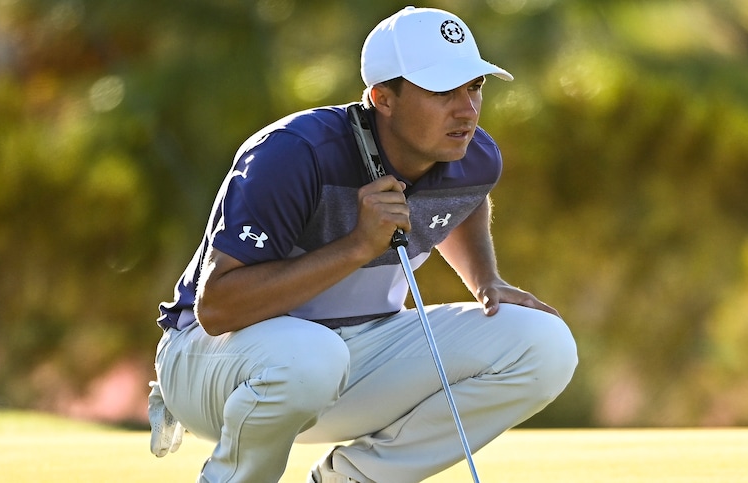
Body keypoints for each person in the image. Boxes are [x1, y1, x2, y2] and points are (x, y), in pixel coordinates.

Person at [148, 6, 577, 483]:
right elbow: (218, 308)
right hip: (212, 363)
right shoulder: (293, 154)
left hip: (351, 358)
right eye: (441, 91)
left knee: (543, 343)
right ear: (383, 98)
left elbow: (466, 199)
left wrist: (485, 278)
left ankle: (351, 479)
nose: (467, 109)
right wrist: (356, 246)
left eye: (474, 86)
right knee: (310, 355)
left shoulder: (472, 153)